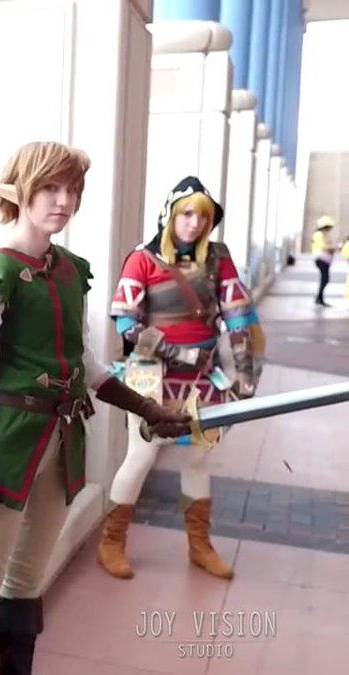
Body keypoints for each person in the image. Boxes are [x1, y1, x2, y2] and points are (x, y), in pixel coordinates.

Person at [0, 142, 191, 675]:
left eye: (73, 190)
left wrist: (145, 408)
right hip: (6, 444)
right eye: (50, 187)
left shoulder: (68, 269)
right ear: (20, 191)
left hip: (62, 438)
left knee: (27, 577)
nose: (63, 201)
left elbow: (82, 361)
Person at [99, 176, 266, 582]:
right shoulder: (142, 259)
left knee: (197, 458)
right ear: (170, 215)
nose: (194, 222)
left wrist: (246, 375)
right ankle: (111, 541)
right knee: (141, 455)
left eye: (203, 216)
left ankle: (199, 545)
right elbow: (126, 323)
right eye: (187, 213)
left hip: (202, 375)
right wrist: (178, 353)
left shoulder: (219, 258)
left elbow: (238, 316)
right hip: (149, 374)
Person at [312, 216, 336, 306]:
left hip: (326, 260)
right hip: (321, 259)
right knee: (325, 279)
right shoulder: (318, 234)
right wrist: (332, 247)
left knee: (324, 279)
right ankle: (319, 298)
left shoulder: (325, 234)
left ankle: (319, 298)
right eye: (328, 227)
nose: (329, 229)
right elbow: (322, 246)